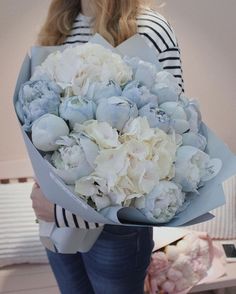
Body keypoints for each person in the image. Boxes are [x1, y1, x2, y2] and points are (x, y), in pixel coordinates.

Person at [31, 0, 184, 293]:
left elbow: (171, 136)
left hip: (114, 229)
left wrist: (65, 211)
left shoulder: (149, 29)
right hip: (55, 215)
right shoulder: (62, 25)